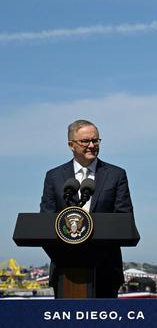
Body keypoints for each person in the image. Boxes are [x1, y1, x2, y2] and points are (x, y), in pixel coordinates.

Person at [40, 119, 134, 298]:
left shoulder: (116, 175)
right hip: (64, 271)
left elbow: (124, 218)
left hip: (105, 270)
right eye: (85, 141)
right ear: (71, 145)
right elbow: (46, 220)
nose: (91, 145)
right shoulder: (54, 177)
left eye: (95, 140)